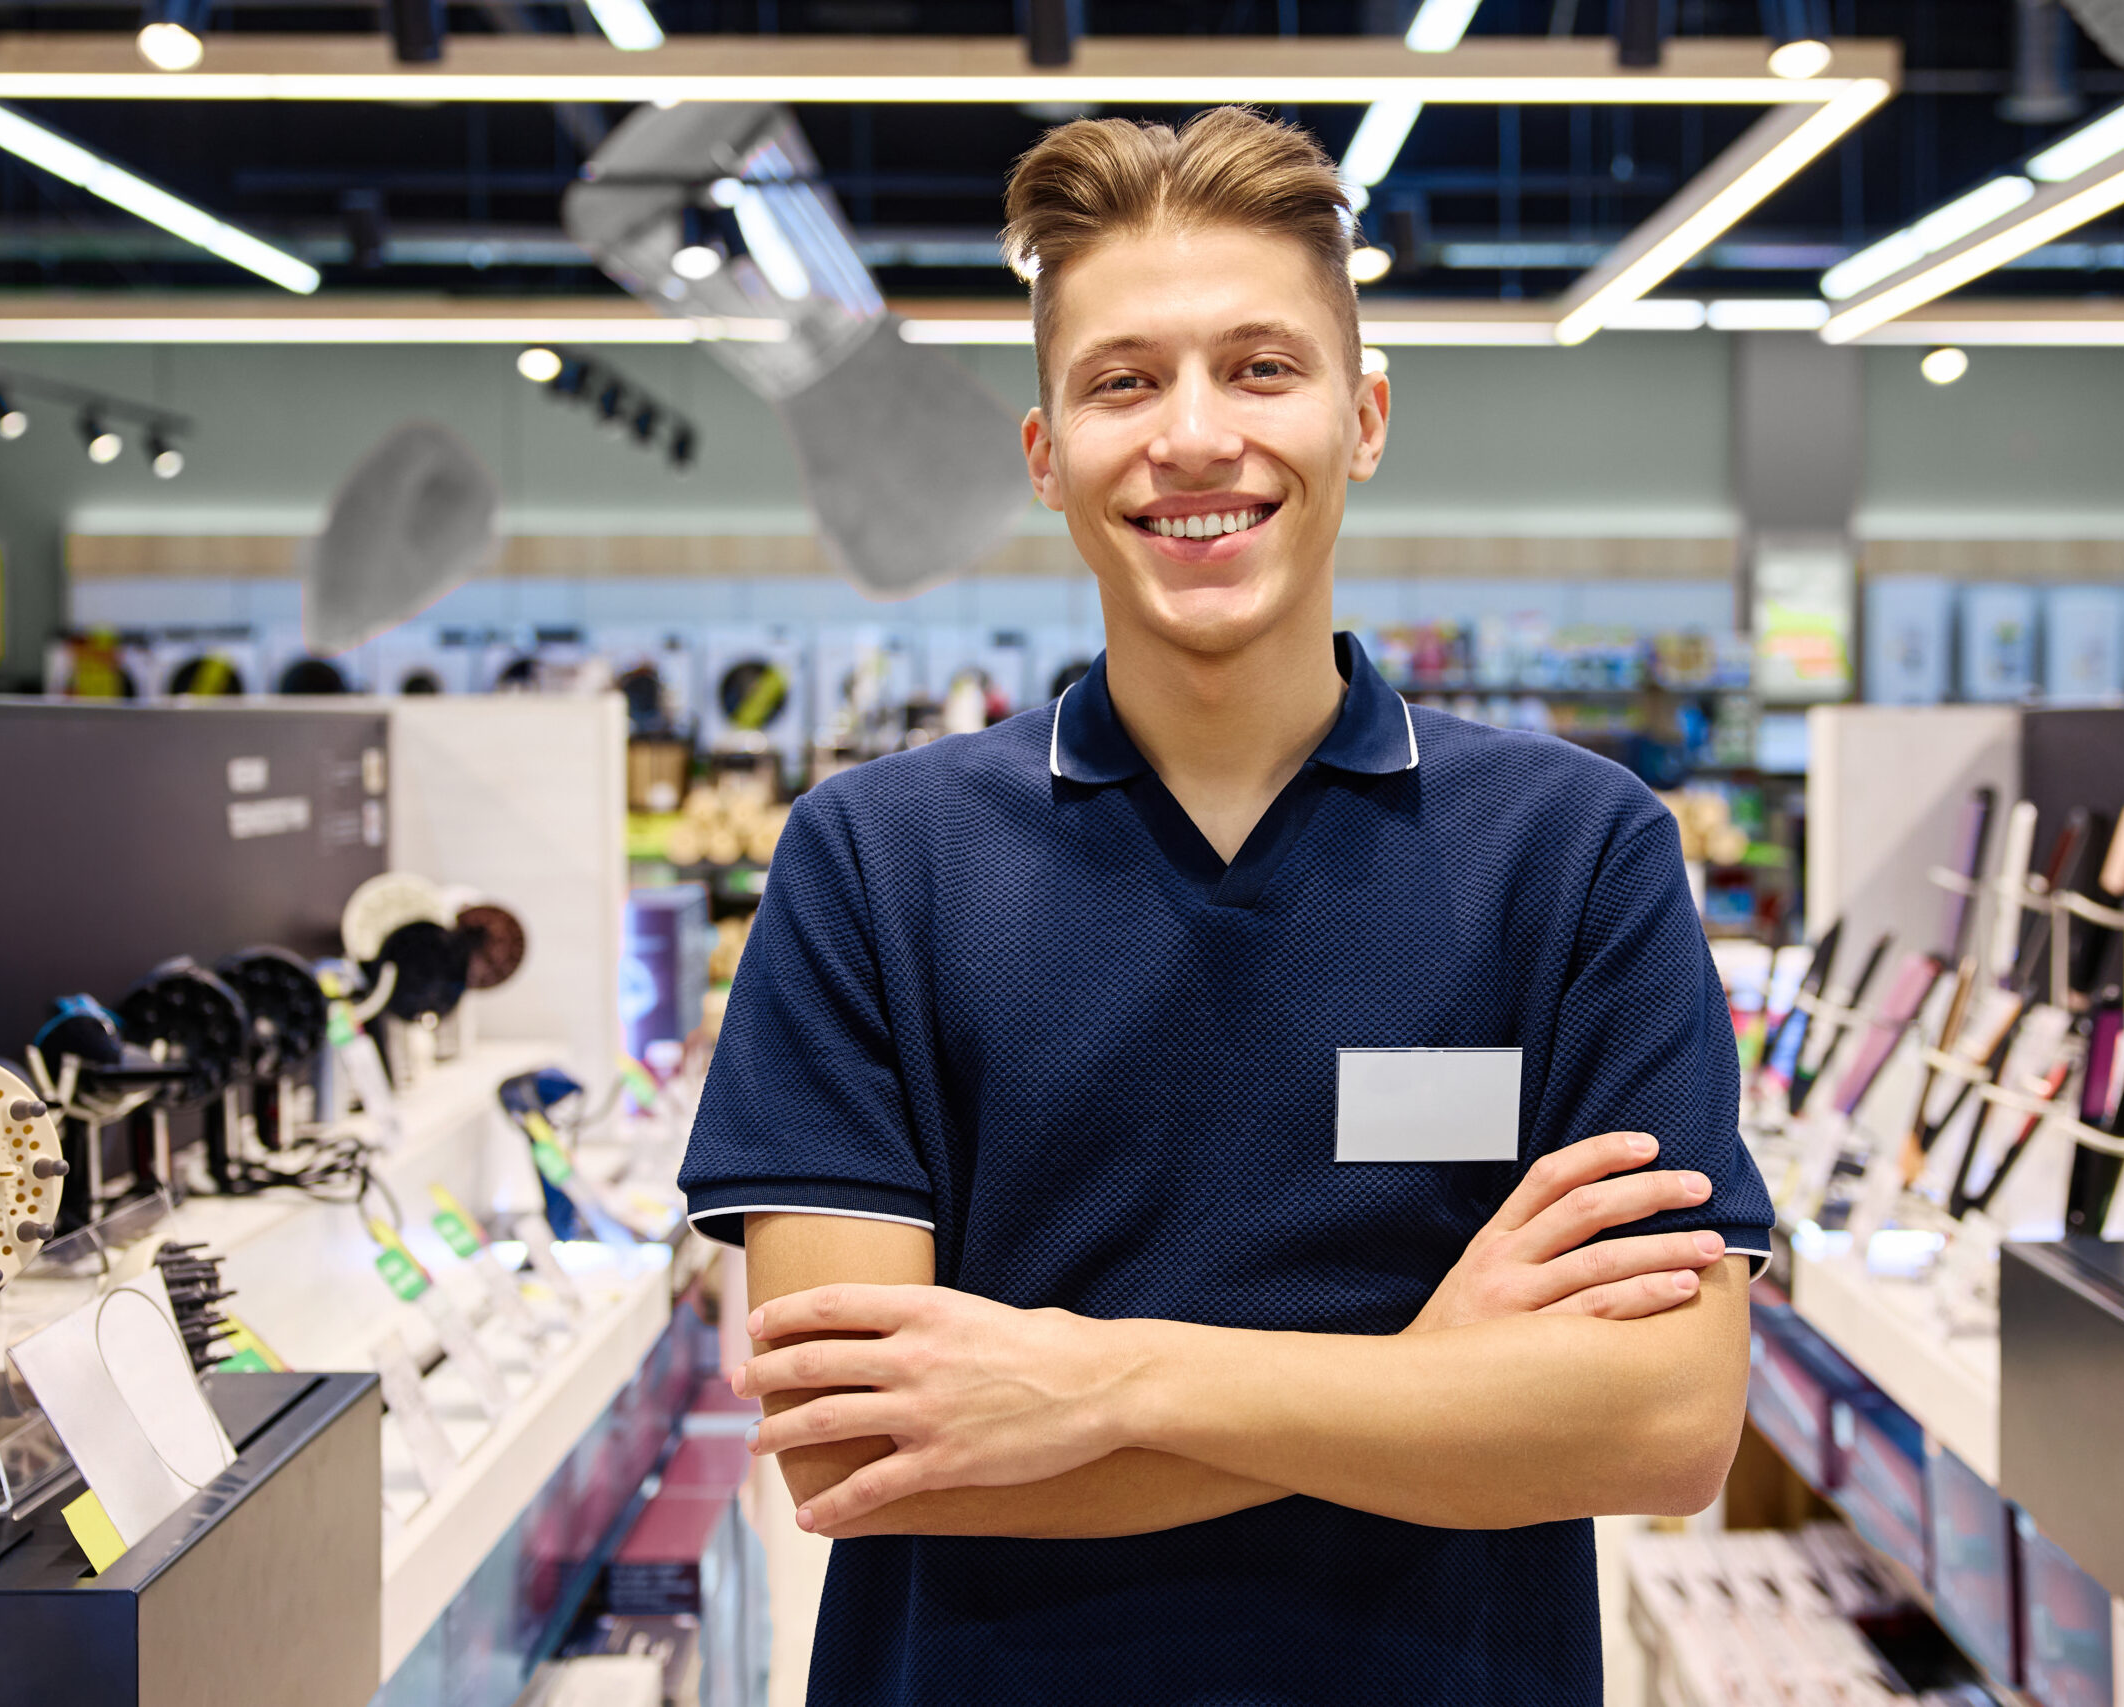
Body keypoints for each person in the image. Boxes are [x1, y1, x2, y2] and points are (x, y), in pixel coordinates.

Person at [677, 106, 1771, 1706]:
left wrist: (1094, 1383)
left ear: (1365, 415)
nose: (1194, 437)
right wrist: (1430, 1386)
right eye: (1125, 380)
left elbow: (1666, 1426)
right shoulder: (876, 862)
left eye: (1262, 368)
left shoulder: (1576, 852)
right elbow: (861, 1460)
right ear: (1047, 452)